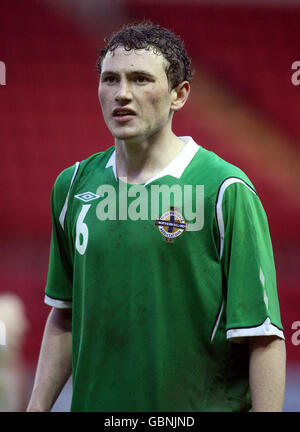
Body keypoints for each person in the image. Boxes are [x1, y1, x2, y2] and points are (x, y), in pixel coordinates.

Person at [27, 21, 286, 412]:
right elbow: (64, 316)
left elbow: (263, 335)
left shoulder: (224, 189)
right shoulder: (73, 186)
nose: (122, 94)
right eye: (110, 79)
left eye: (141, 79)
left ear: (179, 95)